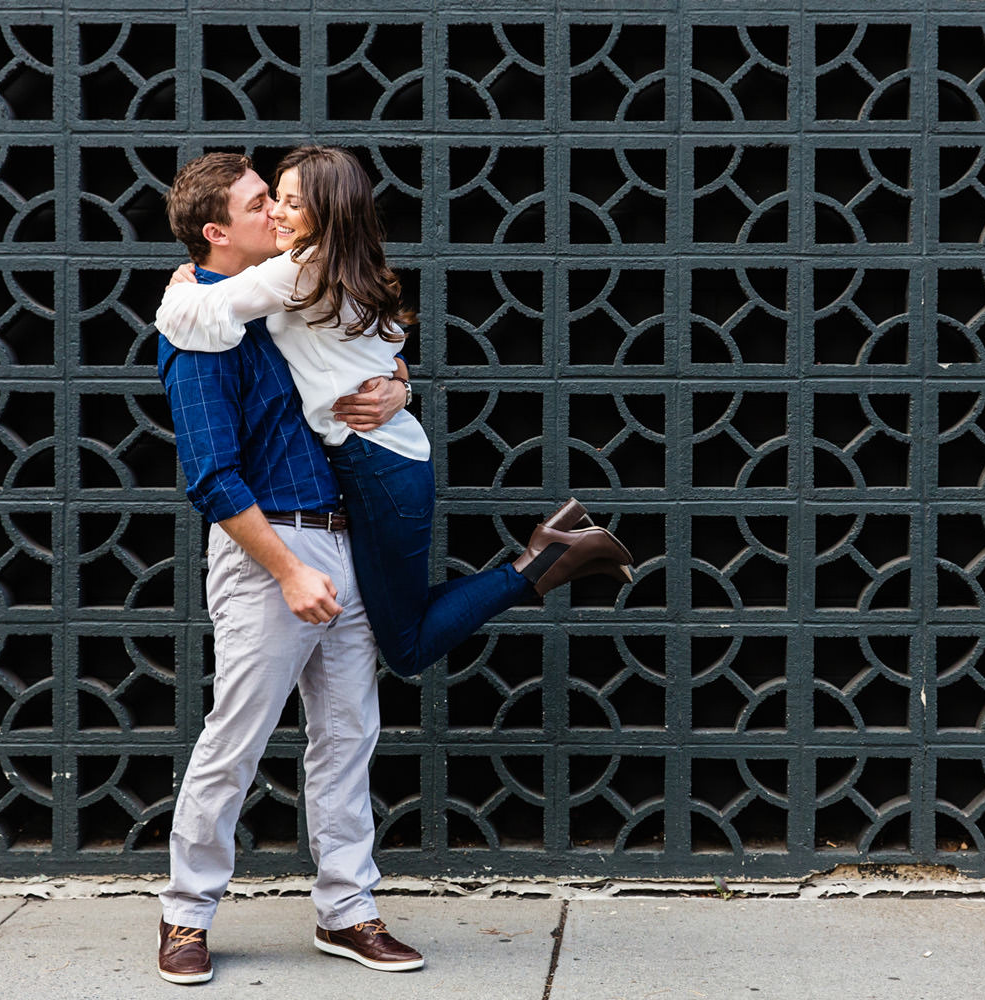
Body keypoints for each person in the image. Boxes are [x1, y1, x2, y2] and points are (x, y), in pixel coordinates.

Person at [155, 145, 634, 680]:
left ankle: (543, 563)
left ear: (324, 212)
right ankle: (551, 551)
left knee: (404, 646)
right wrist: (399, 384)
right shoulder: (332, 263)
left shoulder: (296, 270)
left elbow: (202, 311)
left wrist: (179, 291)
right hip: (382, 460)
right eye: (270, 200)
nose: (275, 212)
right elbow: (379, 351)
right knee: (397, 616)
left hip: (375, 464)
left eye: (287, 202)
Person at [155, 152, 424, 984]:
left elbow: (356, 362)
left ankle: (349, 911)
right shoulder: (200, 329)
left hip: (342, 536)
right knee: (235, 739)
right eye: (258, 202)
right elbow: (209, 475)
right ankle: (185, 916)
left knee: (348, 736)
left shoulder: (292, 288)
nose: (276, 211)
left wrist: (399, 386)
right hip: (268, 548)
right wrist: (286, 571)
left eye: (278, 199)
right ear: (215, 231)